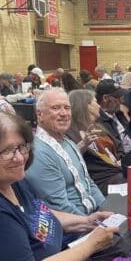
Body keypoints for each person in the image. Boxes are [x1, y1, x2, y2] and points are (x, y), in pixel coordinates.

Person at [0, 112, 118, 261]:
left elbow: (39, 215)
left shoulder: (13, 181)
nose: (20, 158)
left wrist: (86, 222)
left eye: (22, 147)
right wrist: (90, 244)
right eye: (7, 151)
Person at [25, 88, 105, 216]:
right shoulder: (39, 153)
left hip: (91, 216)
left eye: (67, 108)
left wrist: (106, 209)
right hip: (73, 230)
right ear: (40, 114)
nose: (64, 113)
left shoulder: (68, 142)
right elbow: (59, 206)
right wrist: (94, 224)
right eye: (55, 108)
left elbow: (88, 182)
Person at [67, 90, 126, 195]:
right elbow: (70, 159)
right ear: (87, 106)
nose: (99, 106)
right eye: (95, 102)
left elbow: (118, 145)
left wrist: (120, 159)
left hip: (117, 171)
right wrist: (83, 145)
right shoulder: (71, 133)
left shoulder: (98, 126)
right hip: (101, 181)